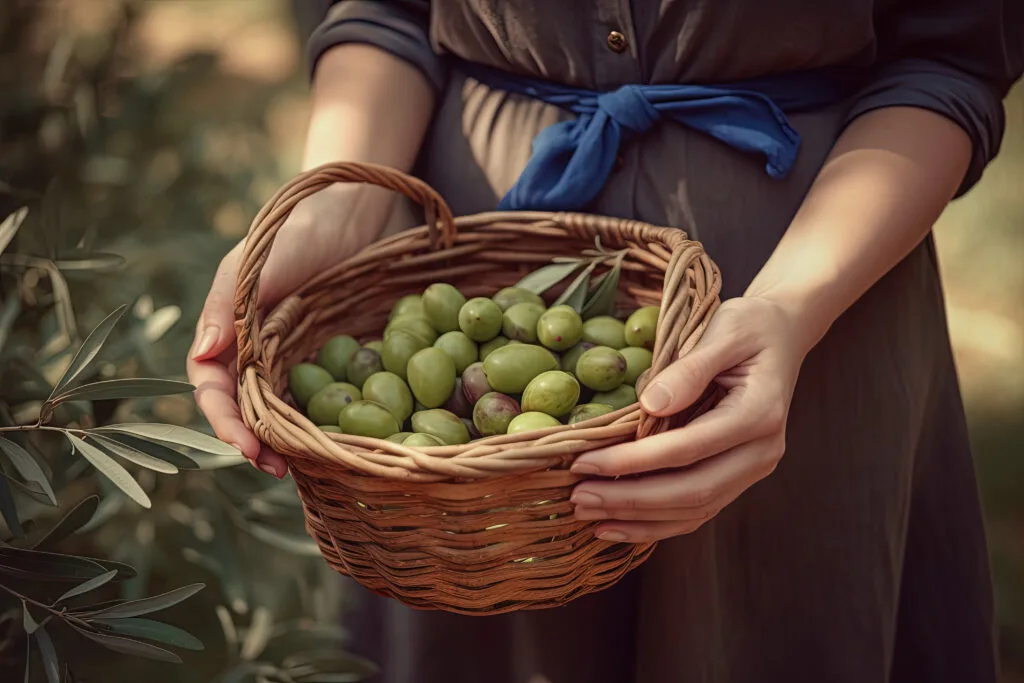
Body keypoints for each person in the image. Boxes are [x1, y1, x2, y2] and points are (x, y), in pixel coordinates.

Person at [186, 2, 1023, 681]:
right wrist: (341, 206)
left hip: (821, 302)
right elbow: (385, 12)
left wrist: (794, 305)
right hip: (473, 258)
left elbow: (950, 55)